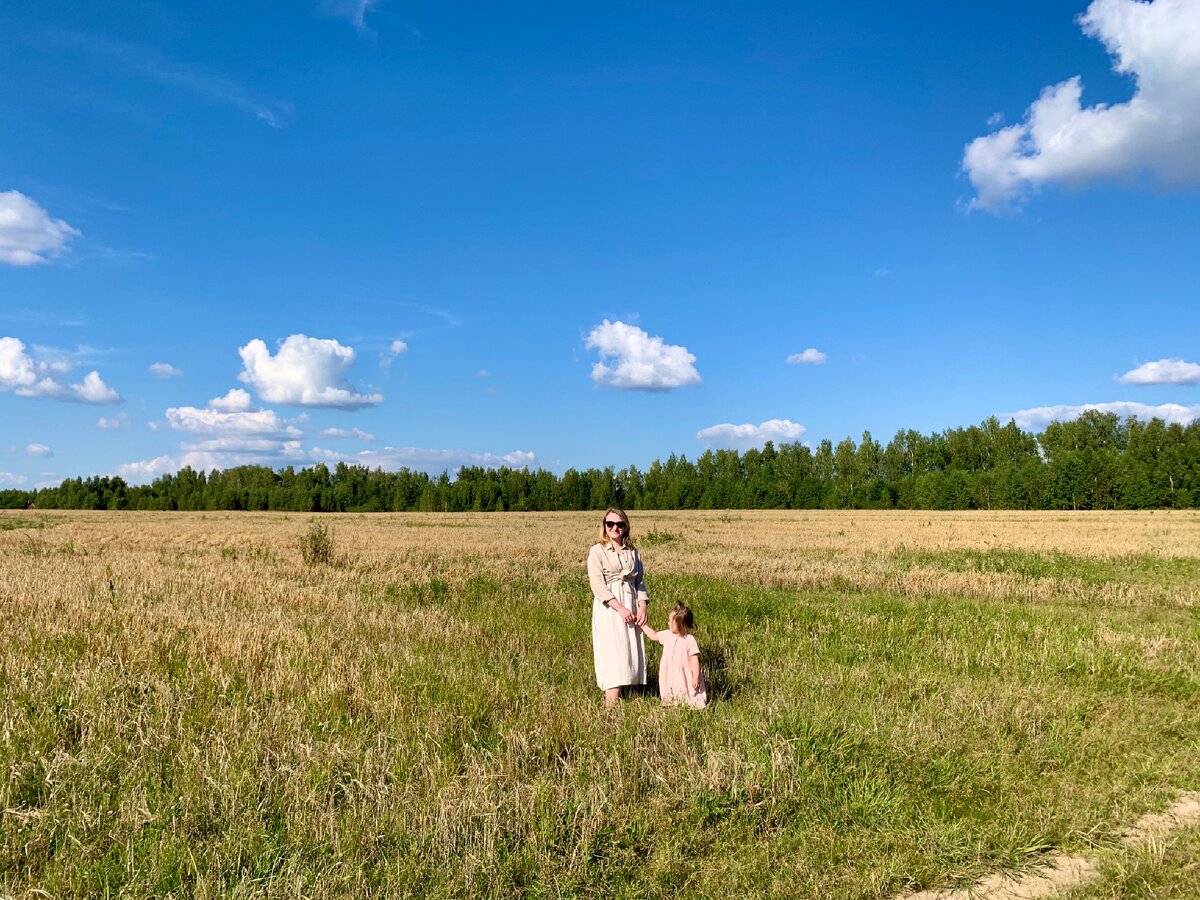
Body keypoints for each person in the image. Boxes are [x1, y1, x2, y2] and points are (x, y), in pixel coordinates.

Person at [587, 507, 649, 707]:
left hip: (631, 603)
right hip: (610, 609)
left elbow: (640, 582)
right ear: (604, 527)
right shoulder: (597, 551)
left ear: (625, 526)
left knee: (630, 651)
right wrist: (620, 609)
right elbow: (598, 586)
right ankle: (610, 707)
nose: (615, 528)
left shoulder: (633, 552)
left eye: (619, 524)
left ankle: (631, 696)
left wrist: (642, 607)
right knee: (613, 652)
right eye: (610, 524)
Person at [640, 602, 707, 709]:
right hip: (670, 671)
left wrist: (696, 677)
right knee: (669, 685)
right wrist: (642, 625)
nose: (668, 623)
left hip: (685, 673)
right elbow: (653, 635)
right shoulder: (667, 635)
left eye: (671, 621)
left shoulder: (689, 640)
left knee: (686, 688)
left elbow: (694, 659)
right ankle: (671, 703)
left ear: (681, 624)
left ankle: (690, 704)